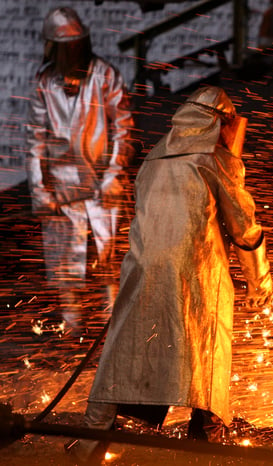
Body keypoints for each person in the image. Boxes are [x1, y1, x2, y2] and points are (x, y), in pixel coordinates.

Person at [66, 85, 273, 464]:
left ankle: (88, 448)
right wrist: (260, 282)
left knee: (126, 358)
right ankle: (206, 443)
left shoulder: (154, 159)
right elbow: (244, 227)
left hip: (142, 274)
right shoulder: (214, 160)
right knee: (206, 360)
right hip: (198, 276)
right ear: (219, 122)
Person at [25, 7, 135, 335]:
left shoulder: (105, 75)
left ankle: (113, 327)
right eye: (66, 47)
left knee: (109, 258)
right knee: (65, 263)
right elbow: (35, 140)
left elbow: (123, 129)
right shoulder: (44, 83)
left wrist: (114, 174)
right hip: (62, 188)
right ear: (54, 49)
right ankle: (72, 327)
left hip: (103, 183)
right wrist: (40, 190)